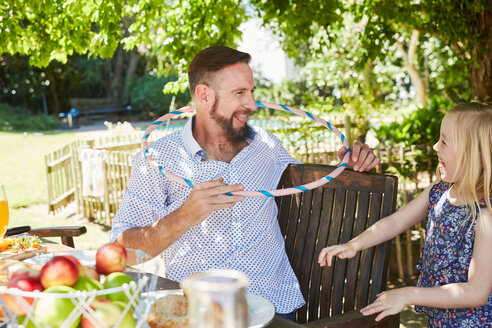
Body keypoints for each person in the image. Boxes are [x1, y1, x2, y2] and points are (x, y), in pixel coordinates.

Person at [110, 46, 379, 320]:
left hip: (274, 305)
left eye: (252, 92)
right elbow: (121, 252)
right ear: (204, 95)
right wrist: (183, 217)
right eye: (239, 93)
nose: (251, 105)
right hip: (201, 311)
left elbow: (308, 180)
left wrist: (351, 162)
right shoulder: (159, 158)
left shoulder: (267, 146)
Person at [318, 102, 492, 327]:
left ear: (473, 154)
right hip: (439, 320)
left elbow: (475, 292)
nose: (435, 147)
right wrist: (354, 245)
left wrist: (408, 295)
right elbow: (395, 222)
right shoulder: (438, 192)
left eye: (445, 142)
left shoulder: (485, 217)